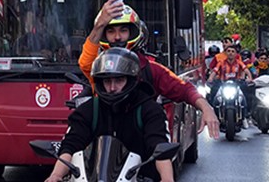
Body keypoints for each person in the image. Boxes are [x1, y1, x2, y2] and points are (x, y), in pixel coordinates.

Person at [80, 1, 220, 139]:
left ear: (133, 32)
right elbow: (85, 63)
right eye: (111, 31)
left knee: (162, 159)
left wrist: (206, 107)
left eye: (123, 30)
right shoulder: (98, 67)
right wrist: (99, 25)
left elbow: (183, 89)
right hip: (102, 145)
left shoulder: (151, 69)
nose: (117, 37)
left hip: (141, 146)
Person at [44, 48, 174, 182]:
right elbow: (71, 145)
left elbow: (159, 146)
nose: (112, 87)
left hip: (142, 178)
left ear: (131, 80)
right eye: (107, 81)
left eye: (119, 80)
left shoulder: (150, 110)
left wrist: (167, 178)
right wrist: (56, 175)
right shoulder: (88, 110)